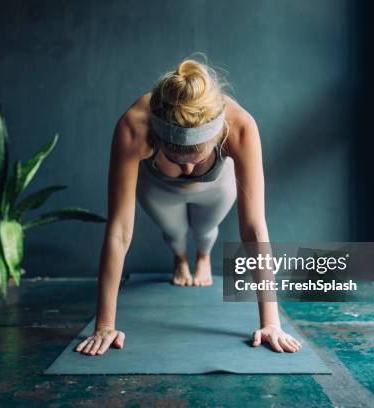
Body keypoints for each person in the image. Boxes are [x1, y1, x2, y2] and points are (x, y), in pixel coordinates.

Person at [75, 57, 302, 356]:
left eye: (198, 157)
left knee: (206, 229)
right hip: (159, 189)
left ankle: (203, 254)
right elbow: (119, 230)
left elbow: (253, 227)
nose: (190, 167)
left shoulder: (241, 127)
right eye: (179, 158)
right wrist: (104, 325)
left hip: (217, 187)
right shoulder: (133, 126)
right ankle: (181, 257)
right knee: (173, 233)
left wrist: (270, 322)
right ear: (158, 136)